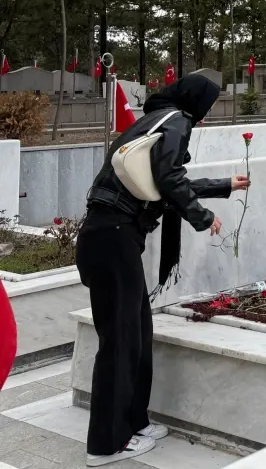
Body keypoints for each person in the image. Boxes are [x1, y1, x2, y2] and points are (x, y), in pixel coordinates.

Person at [77, 76, 249, 466]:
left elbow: (161, 180)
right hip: (113, 239)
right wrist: (203, 217)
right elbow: (170, 180)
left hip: (110, 237)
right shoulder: (176, 121)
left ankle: (135, 423)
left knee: (136, 335)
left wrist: (223, 185)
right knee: (120, 342)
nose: (204, 117)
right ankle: (106, 444)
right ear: (197, 105)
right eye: (207, 107)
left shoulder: (154, 119)